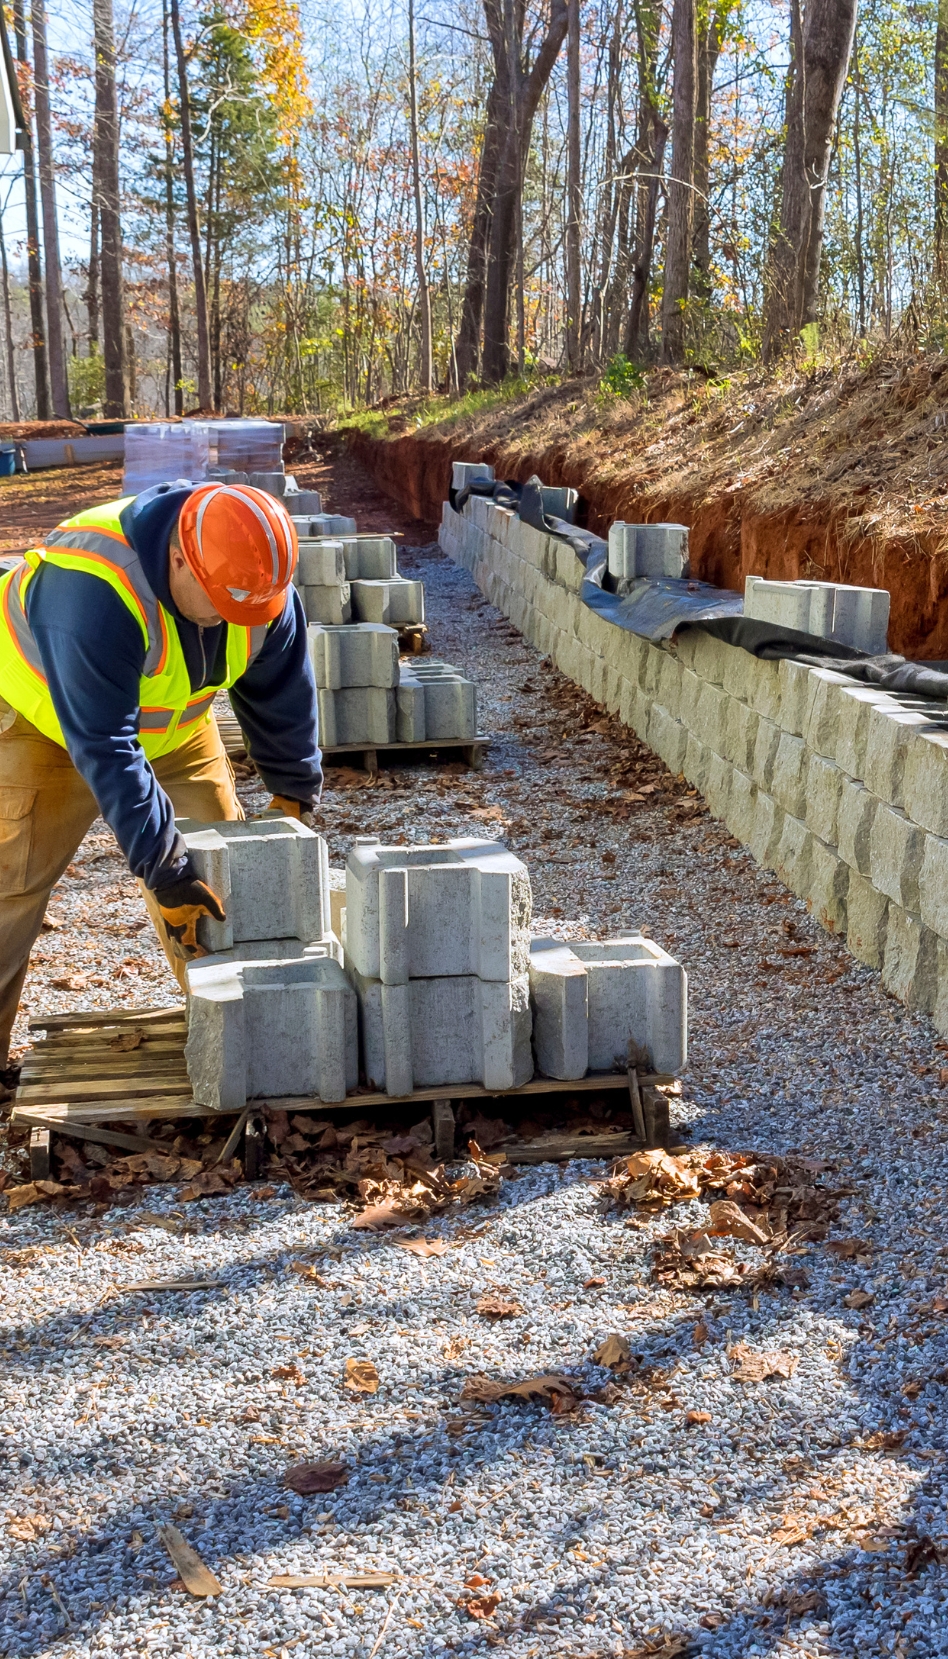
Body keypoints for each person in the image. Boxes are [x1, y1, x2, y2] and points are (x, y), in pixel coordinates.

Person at [0, 478, 321, 1099]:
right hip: (44, 722)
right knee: (11, 889)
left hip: (173, 727)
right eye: (222, 604)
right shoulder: (90, 589)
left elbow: (281, 690)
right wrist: (162, 867)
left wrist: (292, 794)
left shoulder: (257, 584)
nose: (236, 620)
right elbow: (105, 746)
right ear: (179, 556)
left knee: (228, 883)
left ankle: (237, 1046)